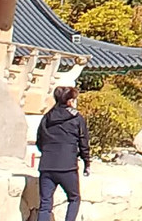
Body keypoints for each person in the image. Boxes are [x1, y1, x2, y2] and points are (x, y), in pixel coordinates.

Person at [36, 86, 91, 221]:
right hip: (67, 166)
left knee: (45, 205)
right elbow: (84, 142)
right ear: (70, 101)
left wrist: (48, 152)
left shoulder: (47, 117)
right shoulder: (77, 118)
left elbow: (39, 141)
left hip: (47, 165)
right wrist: (86, 162)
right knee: (74, 198)